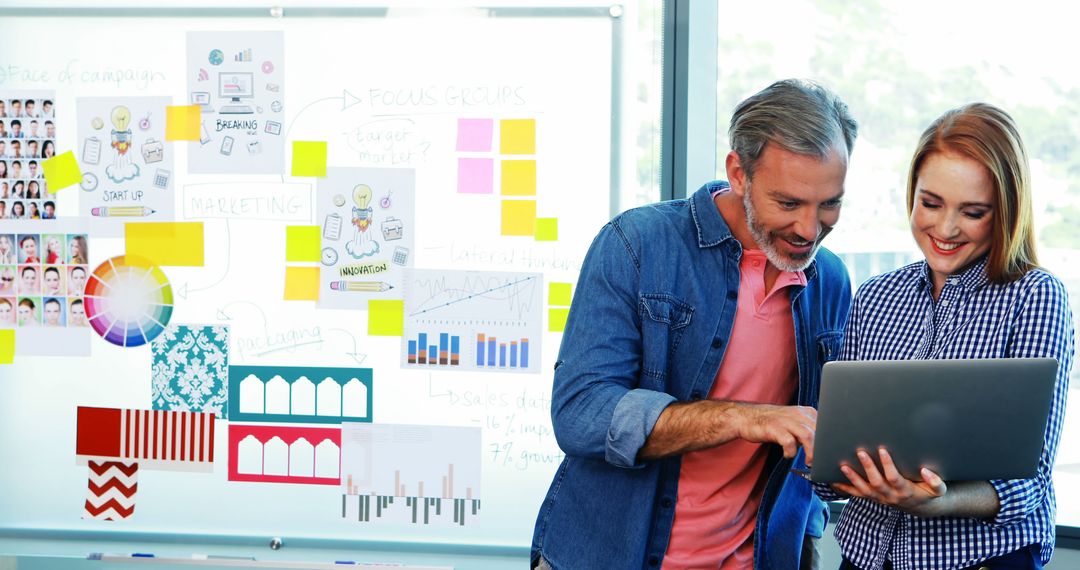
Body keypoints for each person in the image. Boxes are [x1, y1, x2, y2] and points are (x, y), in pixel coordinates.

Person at [531, 79, 858, 570]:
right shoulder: (636, 245)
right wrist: (742, 417)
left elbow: (815, 442)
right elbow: (580, 415)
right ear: (738, 173)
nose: (810, 229)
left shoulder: (829, 279)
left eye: (829, 203)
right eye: (788, 204)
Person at [820, 103, 1075, 570]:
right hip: (865, 559)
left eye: (973, 212)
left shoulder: (1035, 297)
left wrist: (936, 502)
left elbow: (1029, 481)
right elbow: (830, 461)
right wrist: (839, 467)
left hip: (978, 562)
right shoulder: (876, 295)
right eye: (931, 203)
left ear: (1004, 212)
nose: (946, 228)